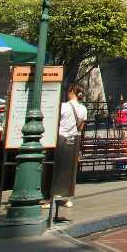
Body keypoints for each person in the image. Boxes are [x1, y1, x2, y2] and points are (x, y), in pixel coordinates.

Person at [53, 83, 87, 211]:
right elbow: (81, 127)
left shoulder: (64, 106)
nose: (67, 93)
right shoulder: (83, 109)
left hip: (60, 138)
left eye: (69, 91)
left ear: (72, 91)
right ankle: (68, 198)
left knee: (56, 168)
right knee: (70, 170)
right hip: (73, 141)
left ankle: (52, 196)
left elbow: (56, 121)